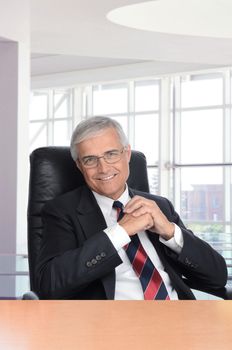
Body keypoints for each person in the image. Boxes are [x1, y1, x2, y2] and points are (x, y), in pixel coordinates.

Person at [36, 116, 227, 300]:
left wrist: (169, 231)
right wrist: (119, 232)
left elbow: (217, 276)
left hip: (177, 317)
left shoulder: (160, 206)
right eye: (90, 160)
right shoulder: (61, 211)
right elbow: (49, 285)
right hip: (112, 324)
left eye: (111, 154)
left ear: (127, 154)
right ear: (79, 165)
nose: (103, 168)